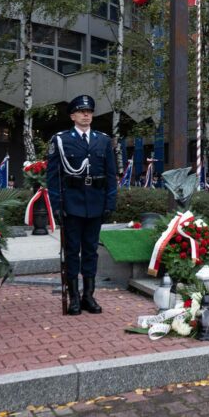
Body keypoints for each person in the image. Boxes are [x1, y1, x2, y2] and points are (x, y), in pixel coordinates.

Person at [46, 94, 117, 316]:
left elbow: (111, 175)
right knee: (72, 251)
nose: (86, 115)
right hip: (72, 203)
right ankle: (74, 297)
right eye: (81, 111)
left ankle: (89, 295)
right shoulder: (60, 140)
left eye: (89, 111)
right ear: (73, 115)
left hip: (95, 202)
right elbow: (53, 176)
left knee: (90, 251)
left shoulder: (103, 140)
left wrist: (110, 202)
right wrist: (56, 205)